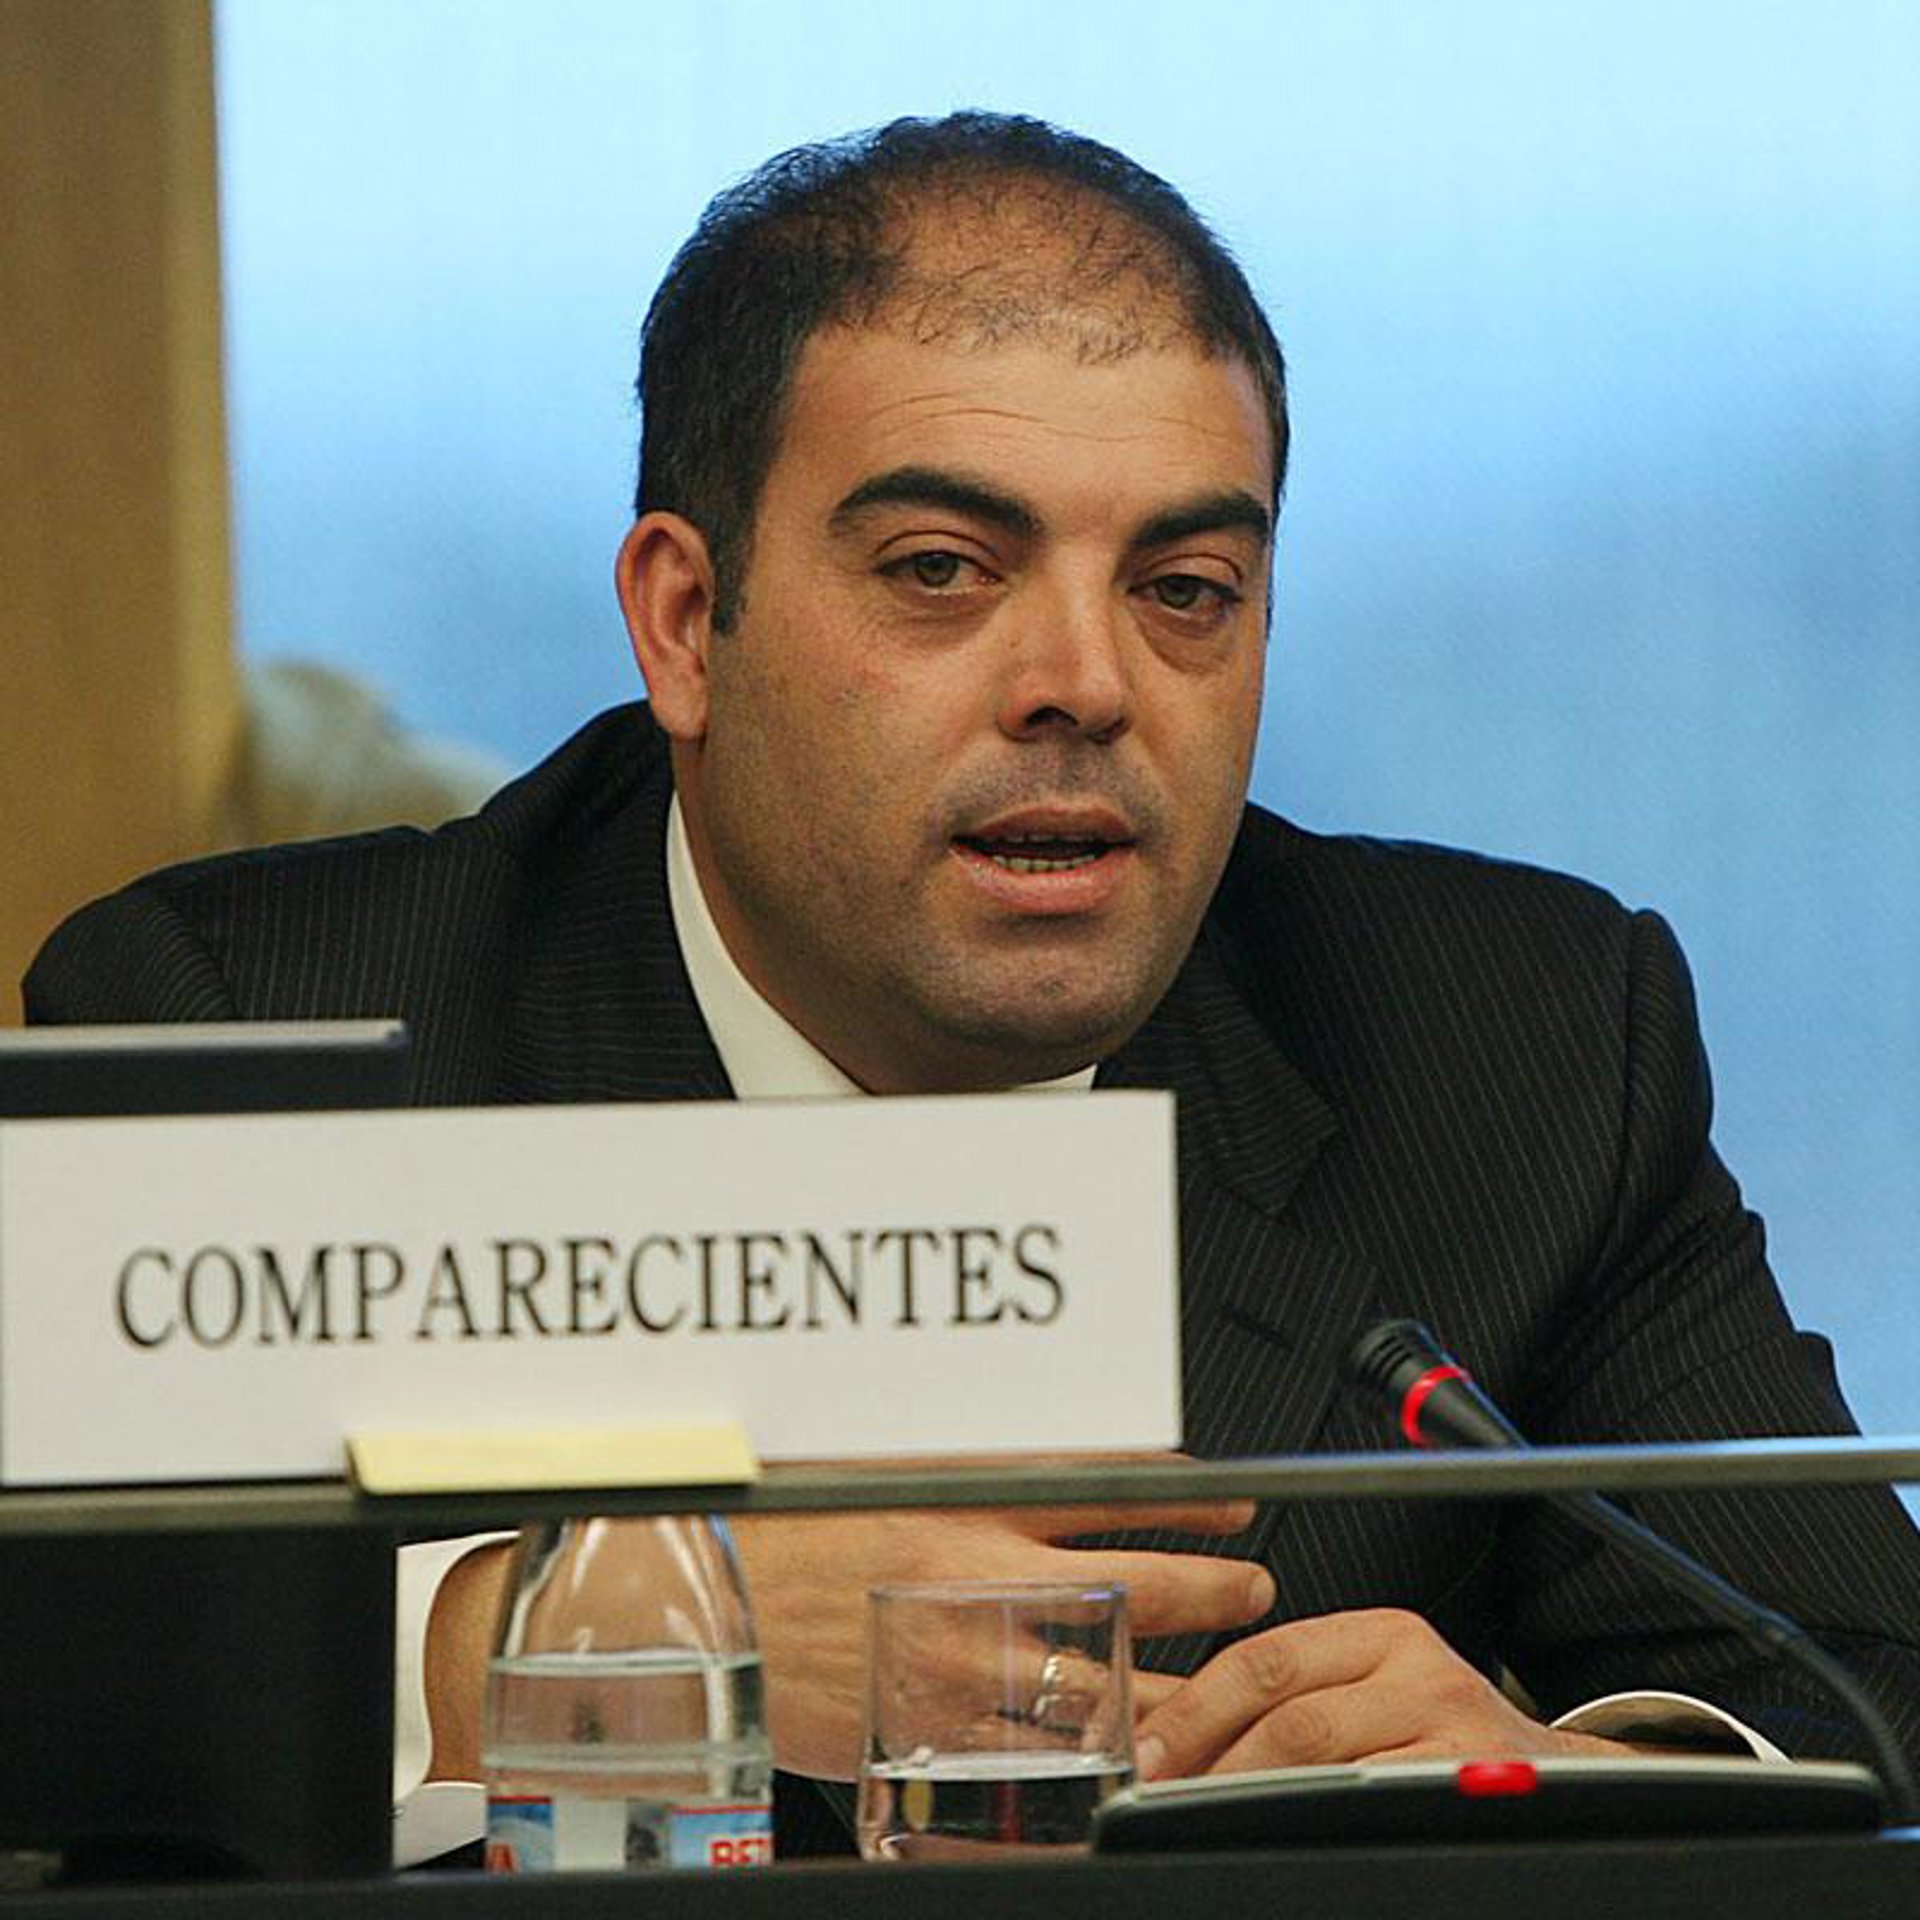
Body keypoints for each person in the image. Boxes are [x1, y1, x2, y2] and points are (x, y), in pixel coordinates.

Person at [26, 112, 1920, 1862]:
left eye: (1185, 589)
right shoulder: (261, 1030)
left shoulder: (1516, 1045)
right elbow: (62, 1701)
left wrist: (1554, 1774)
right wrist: (575, 1638)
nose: (1085, 683)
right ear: (686, 622)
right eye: (944, 570)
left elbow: (1865, 1695)